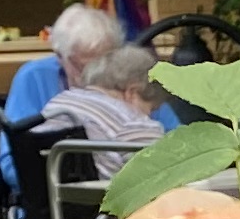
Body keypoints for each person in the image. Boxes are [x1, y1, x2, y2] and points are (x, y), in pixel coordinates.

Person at [0, 3, 122, 134]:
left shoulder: (127, 75)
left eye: (104, 65)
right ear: (60, 56)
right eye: (84, 67)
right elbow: (11, 149)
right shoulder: (34, 76)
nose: (95, 76)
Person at [38, 41, 168, 150]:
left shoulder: (58, 104)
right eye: (151, 109)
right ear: (132, 92)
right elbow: (164, 175)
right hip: (106, 181)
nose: (150, 116)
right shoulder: (135, 124)